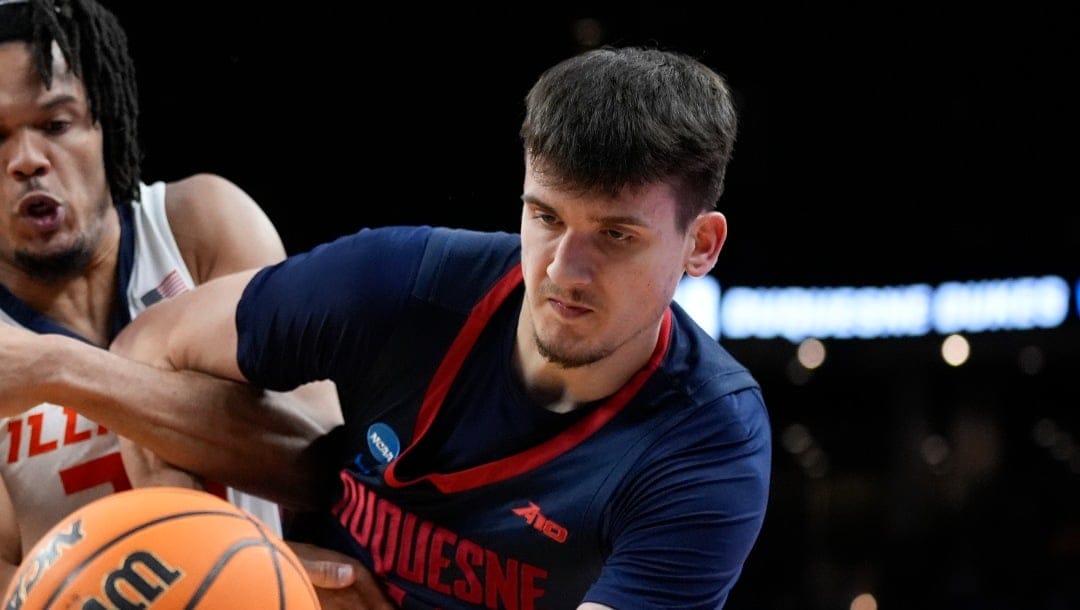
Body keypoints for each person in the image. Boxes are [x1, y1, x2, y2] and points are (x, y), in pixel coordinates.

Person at [4, 44, 772, 608]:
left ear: (699, 245)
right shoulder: (403, 282)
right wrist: (221, 553)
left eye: (617, 236)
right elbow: (150, 342)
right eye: (545, 217)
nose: (564, 270)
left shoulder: (710, 444)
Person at [0, 0, 330, 592]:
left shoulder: (197, 226)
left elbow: (323, 462)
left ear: (105, 124)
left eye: (55, 124)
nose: (26, 160)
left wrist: (60, 368)